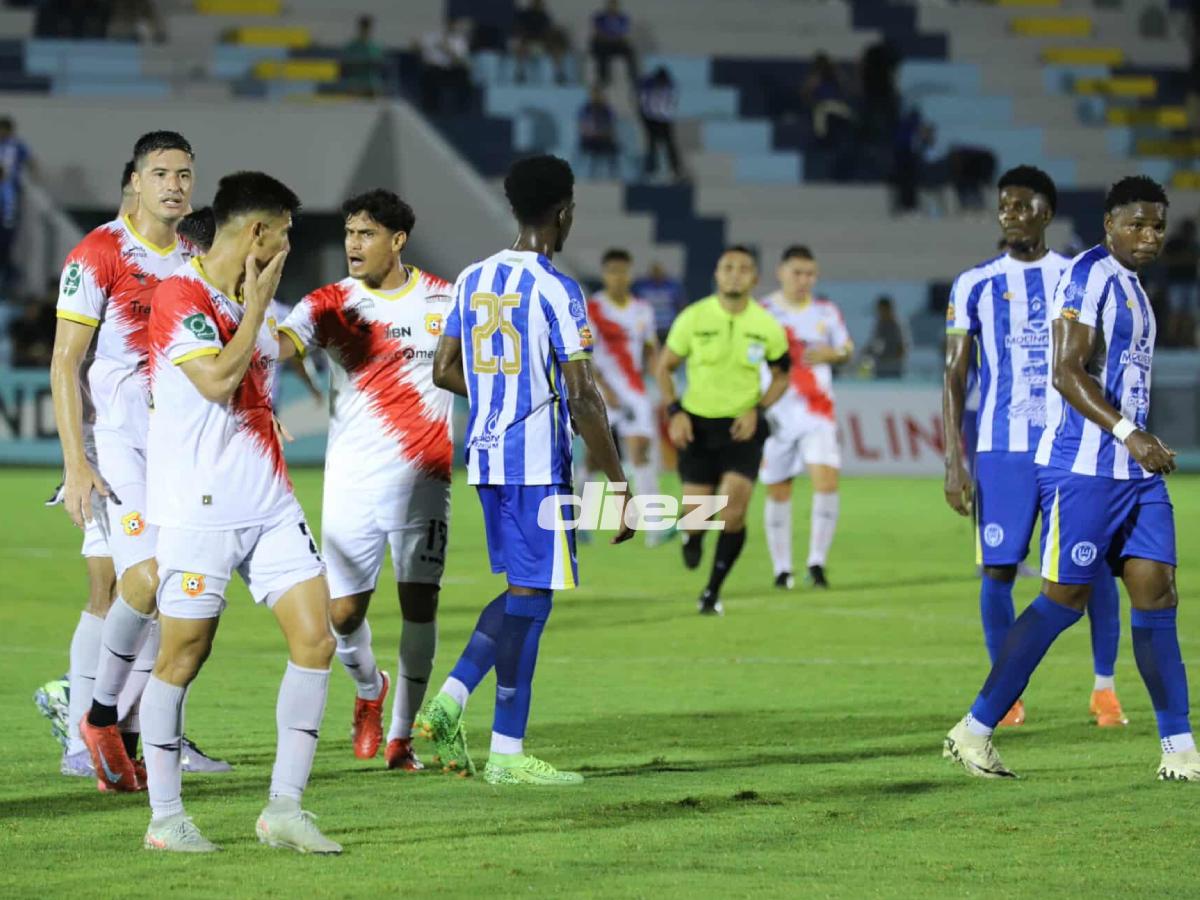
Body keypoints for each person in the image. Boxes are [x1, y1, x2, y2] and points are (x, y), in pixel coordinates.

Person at [944, 175, 1199, 782]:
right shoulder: (1088, 276)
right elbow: (1065, 372)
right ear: (1109, 224)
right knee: (1062, 601)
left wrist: (1140, 439)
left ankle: (1179, 748)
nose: (1148, 236)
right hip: (1084, 470)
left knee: (1158, 596)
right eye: (1136, 224)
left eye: (1158, 226)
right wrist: (1128, 433)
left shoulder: (1133, 286)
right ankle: (974, 730)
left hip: (1134, 475)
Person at [139, 171, 341, 853]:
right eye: (284, 233)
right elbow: (218, 381)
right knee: (183, 656)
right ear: (256, 232)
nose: (287, 246)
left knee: (317, 640)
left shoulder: (256, 301)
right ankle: (166, 818)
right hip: (198, 510)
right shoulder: (180, 295)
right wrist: (257, 308)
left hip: (270, 502)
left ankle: (284, 807)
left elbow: (253, 388)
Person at [418, 154, 634, 785]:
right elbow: (586, 395)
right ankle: (507, 754)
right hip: (536, 463)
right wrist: (618, 485)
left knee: (523, 589)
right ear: (564, 211)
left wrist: (495, 399)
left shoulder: (470, 278)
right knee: (534, 602)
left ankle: (451, 702)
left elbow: (442, 369)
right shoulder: (556, 289)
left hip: (485, 459)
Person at [36, 161, 228, 782]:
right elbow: (65, 361)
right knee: (121, 586)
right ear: (134, 183)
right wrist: (77, 461)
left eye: (186, 174)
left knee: (161, 588)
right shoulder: (99, 251)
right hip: (114, 448)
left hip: (176, 446)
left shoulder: (196, 253)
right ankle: (83, 736)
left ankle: (144, 733)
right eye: (162, 173)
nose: (176, 184)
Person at [943, 166, 1126, 730]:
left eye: (1023, 206)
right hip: (1001, 449)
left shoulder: (1077, 277)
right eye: (1004, 207)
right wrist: (956, 458)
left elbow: (1099, 364)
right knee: (997, 571)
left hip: (1071, 446)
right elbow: (954, 375)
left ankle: (1104, 688)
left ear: (1046, 212)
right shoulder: (973, 284)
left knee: (1088, 568)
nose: (1011, 216)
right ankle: (1007, 693)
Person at [277, 190, 453, 773]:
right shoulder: (329, 303)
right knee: (344, 614)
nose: (353, 244)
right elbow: (279, 346)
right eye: (350, 233)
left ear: (397, 240)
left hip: (425, 476)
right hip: (352, 477)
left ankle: (402, 739)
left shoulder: (446, 300)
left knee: (419, 604)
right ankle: (368, 686)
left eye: (366, 234)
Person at [656, 246, 790, 615]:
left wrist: (759, 409)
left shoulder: (766, 326)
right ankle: (692, 537)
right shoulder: (693, 318)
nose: (735, 274)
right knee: (696, 516)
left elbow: (782, 374)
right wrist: (674, 411)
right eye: (727, 267)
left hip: (741, 428)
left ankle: (712, 591)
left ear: (754, 278)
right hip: (696, 426)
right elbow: (664, 366)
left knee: (733, 509)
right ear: (716, 274)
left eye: (743, 268)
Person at [759, 246, 852, 590]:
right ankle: (782, 568)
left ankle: (817, 563)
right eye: (797, 273)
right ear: (781, 272)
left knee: (826, 483)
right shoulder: (763, 312)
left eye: (810, 274)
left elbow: (846, 347)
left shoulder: (826, 312)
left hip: (818, 412)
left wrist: (836, 353)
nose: (804, 280)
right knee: (779, 491)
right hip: (776, 414)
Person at [585, 248, 659, 531]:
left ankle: (653, 524)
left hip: (634, 390)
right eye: (612, 271)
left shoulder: (643, 309)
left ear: (630, 274)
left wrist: (660, 379)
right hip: (600, 389)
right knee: (594, 456)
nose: (618, 277)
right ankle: (584, 518)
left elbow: (651, 351)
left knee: (640, 449)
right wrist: (605, 389)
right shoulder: (593, 309)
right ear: (605, 275)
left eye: (623, 271)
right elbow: (585, 355)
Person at [0, 116, 33, 295]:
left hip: (9, 205)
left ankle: (10, 281)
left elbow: (30, 160)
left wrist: (35, 176)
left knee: (6, 245)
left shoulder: (16, 146)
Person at [417, 18, 473, 114]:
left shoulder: (459, 41)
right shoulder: (432, 37)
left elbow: (460, 61)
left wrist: (447, 49)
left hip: (450, 69)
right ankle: (431, 108)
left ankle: (462, 108)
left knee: (463, 74)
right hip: (434, 67)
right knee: (431, 73)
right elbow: (422, 52)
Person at [638, 66, 683, 180]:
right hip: (651, 119)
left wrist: (664, 115)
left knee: (669, 144)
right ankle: (651, 168)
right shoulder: (648, 85)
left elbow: (671, 102)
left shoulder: (669, 86)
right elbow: (644, 103)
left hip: (663, 118)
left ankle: (675, 168)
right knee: (652, 144)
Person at [513, 0, 569, 85]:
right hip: (528, 42)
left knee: (556, 50)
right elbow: (520, 29)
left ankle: (559, 73)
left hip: (543, 43)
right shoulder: (524, 15)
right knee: (520, 48)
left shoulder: (544, 16)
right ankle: (520, 73)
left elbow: (548, 31)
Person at [1161, 218, 1198, 347]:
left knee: (1190, 313)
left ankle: (1186, 339)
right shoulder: (1173, 243)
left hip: (1190, 282)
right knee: (1175, 312)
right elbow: (1164, 259)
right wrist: (1182, 259)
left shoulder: (1194, 244)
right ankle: (1172, 339)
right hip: (1176, 283)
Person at [632, 261, 686, 344]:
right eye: (654, 271)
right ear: (650, 272)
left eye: (659, 270)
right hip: (648, 329)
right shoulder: (640, 287)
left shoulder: (673, 287)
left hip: (668, 330)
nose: (657, 273)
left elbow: (681, 307)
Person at [589, 0, 636, 88]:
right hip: (604, 45)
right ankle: (604, 78)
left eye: (615, 6)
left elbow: (624, 34)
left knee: (630, 50)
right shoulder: (600, 18)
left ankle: (633, 76)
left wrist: (615, 38)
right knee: (601, 52)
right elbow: (598, 32)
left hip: (617, 44)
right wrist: (610, 37)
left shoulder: (623, 18)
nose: (613, 8)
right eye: (611, 5)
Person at [578, 86, 619, 179]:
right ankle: (589, 176)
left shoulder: (607, 110)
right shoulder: (586, 109)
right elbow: (582, 127)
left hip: (604, 139)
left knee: (612, 148)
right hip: (590, 140)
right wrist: (591, 133)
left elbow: (612, 126)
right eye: (594, 94)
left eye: (599, 94)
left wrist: (604, 134)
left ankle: (613, 176)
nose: (597, 96)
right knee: (591, 149)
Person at [861, 295, 906, 378]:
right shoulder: (880, 324)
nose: (879, 312)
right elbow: (875, 343)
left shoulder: (897, 325)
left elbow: (902, 347)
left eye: (880, 309)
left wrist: (892, 361)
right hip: (880, 368)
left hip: (893, 369)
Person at [343, 14, 386, 98]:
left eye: (367, 27)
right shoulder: (351, 46)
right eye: (364, 26)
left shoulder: (375, 47)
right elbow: (345, 65)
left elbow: (379, 65)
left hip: (371, 86)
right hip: (354, 84)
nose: (366, 29)